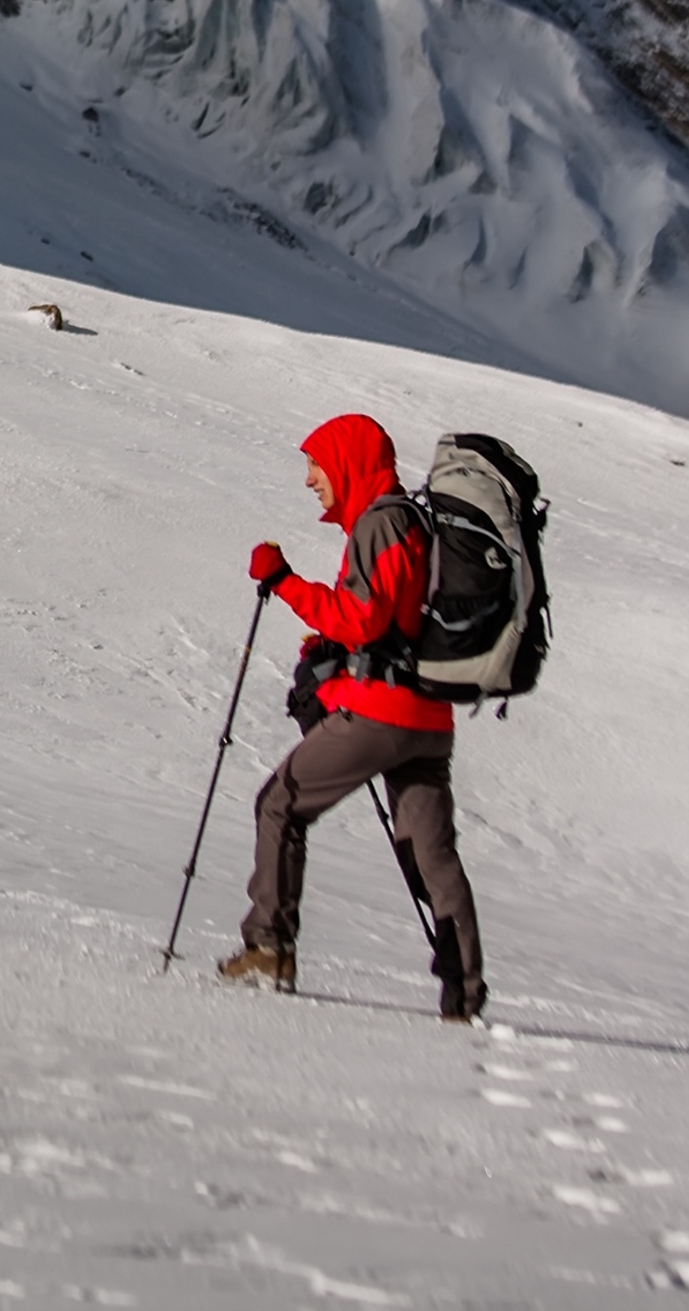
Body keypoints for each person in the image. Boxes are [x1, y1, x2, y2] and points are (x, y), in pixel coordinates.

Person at [219, 412, 488, 1020]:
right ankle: (464, 993)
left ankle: (268, 950)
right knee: (433, 853)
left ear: (348, 461)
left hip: (382, 715)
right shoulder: (412, 523)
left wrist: (285, 582)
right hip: (428, 720)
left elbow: (361, 616)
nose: (310, 479)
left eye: (316, 463)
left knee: (280, 804)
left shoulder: (381, 522)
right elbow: (391, 623)